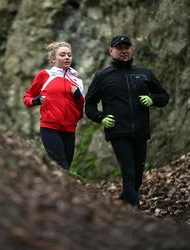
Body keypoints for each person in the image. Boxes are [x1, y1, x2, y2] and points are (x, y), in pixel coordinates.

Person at [85, 35, 169, 207]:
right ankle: (134, 210)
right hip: (118, 131)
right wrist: (101, 118)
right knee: (129, 171)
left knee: (138, 174)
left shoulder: (144, 73)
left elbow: (164, 96)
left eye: (126, 47)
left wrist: (153, 99)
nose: (123, 51)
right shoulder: (102, 76)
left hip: (140, 130)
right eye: (119, 48)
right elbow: (89, 106)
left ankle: (124, 200)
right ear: (111, 51)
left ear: (131, 50)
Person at [23, 41, 85, 170]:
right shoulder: (45, 75)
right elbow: (27, 97)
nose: (67, 57)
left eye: (69, 54)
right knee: (61, 165)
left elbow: (81, 111)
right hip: (49, 127)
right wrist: (35, 101)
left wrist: (79, 97)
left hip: (69, 130)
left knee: (66, 167)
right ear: (53, 59)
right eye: (62, 54)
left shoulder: (77, 81)